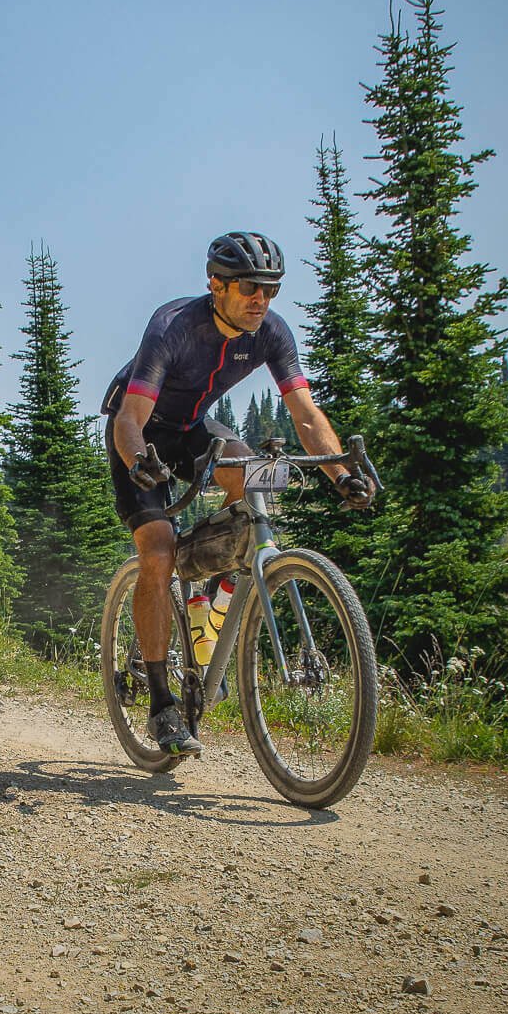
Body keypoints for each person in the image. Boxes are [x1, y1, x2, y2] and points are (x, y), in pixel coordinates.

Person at [102, 231, 373, 755]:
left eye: (271, 290)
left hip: (193, 429)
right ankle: (161, 704)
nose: (262, 300)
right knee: (157, 549)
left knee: (251, 475)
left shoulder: (271, 332)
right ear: (216, 284)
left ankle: (210, 585)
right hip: (138, 434)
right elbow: (130, 419)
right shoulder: (173, 325)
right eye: (250, 287)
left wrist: (340, 474)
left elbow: (306, 415)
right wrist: (140, 463)